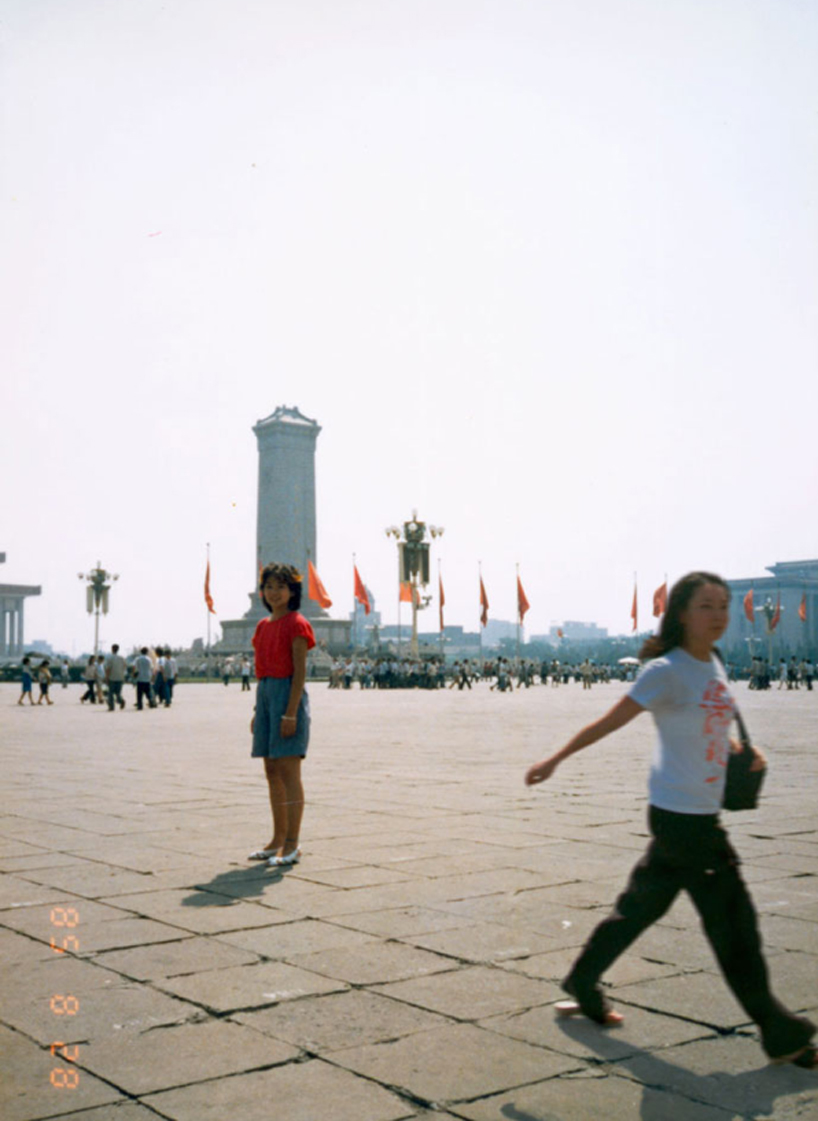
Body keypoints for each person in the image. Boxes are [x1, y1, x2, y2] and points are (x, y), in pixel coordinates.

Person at [524, 571, 816, 1068]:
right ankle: (779, 1030)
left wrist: (741, 748)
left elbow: (708, 723)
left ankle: (583, 979)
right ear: (682, 613)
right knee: (734, 924)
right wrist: (555, 758)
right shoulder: (666, 670)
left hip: (694, 812)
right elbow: (610, 720)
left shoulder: (714, 663)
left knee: (640, 908)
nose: (720, 615)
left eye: (723, 605)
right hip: (684, 820)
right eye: (707, 606)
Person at [248, 563, 315, 868]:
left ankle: (292, 843)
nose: (274, 593)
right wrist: (256, 711)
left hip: (287, 697)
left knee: (289, 774)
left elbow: (299, 673)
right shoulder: (262, 627)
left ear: (293, 591)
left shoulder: (297, 624)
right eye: (269, 587)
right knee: (271, 771)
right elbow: (261, 672)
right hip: (265, 697)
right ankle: (277, 838)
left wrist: (290, 714)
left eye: (281, 586)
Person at [105, 644, 127, 711]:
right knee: (118, 693)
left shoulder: (110, 658)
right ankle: (121, 701)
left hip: (112, 677)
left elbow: (108, 669)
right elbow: (125, 666)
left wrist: (106, 677)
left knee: (110, 693)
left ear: (112, 649)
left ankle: (111, 707)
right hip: (120, 677)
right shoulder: (122, 657)